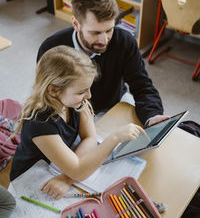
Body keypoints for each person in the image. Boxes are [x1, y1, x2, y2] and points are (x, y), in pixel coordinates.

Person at [10, 45, 145, 199]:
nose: (89, 95)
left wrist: (67, 177)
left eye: (88, 88)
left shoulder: (74, 102)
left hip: (59, 170)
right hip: (32, 178)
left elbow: (90, 138)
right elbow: (79, 170)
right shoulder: (39, 122)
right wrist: (114, 139)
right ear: (53, 90)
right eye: (81, 91)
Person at [37, 0, 168, 127]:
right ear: (76, 24)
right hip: (72, 112)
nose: (104, 40)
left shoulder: (124, 41)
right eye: (96, 33)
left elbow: (142, 85)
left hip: (115, 102)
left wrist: (152, 116)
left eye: (109, 30)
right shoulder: (51, 49)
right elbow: (49, 97)